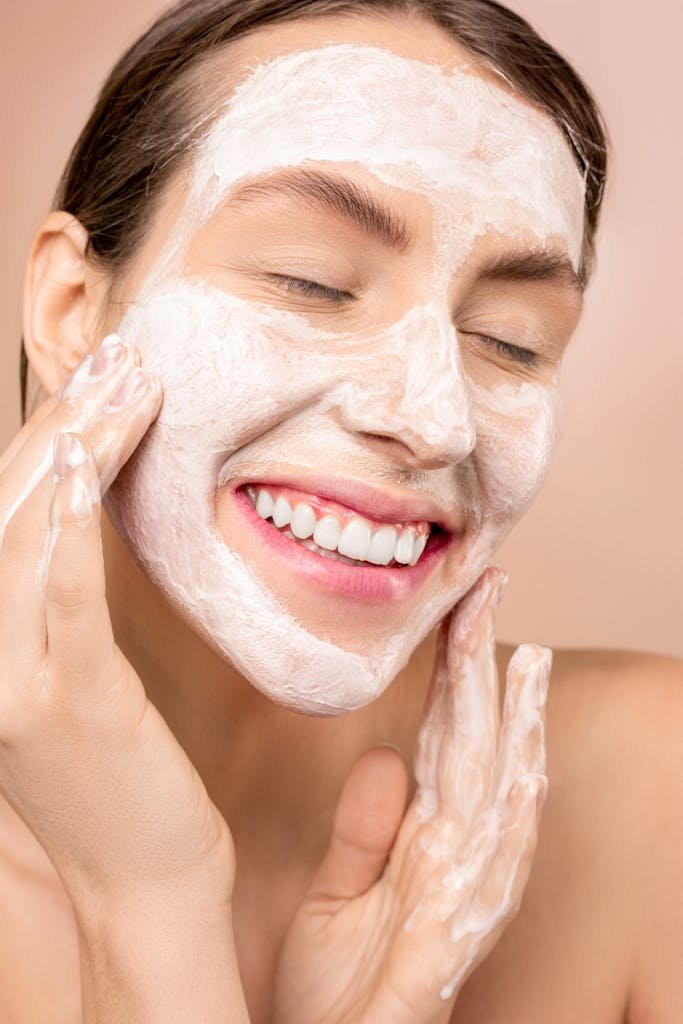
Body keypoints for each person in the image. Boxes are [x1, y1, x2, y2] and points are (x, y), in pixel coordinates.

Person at [1, 0, 681, 1020]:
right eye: (309, 280)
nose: (433, 417)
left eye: (509, 338)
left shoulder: (648, 793)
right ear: (69, 311)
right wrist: (149, 901)